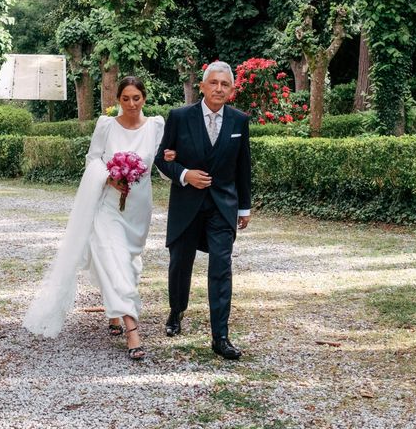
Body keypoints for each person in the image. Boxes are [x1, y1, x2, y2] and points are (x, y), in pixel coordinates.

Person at [23, 76, 173, 361]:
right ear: (118, 100)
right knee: (113, 260)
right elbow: (93, 159)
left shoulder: (156, 126)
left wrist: (180, 167)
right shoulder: (106, 126)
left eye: (136, 98)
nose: (131, 104)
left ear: (144, 98)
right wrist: (110, 178)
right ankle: (133, 333)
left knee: (128, 263)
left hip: (139, 209)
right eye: (126, 99)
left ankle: (114, 313)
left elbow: (163, 165)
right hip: (108, 207)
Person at [154, 61, 251, 360]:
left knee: (221, 268)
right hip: (186, 206)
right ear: (204, 86)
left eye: (225, 84)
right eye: (214, 83)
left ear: (232, 90)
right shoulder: (180, 117)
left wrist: (244, 207)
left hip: (222, 207)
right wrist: (185, 175)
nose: (219, 89)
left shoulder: (239, 121)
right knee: (180, 263)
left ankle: (220, 336)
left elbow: (243, 167)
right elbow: (162, 159)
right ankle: (176, 311)